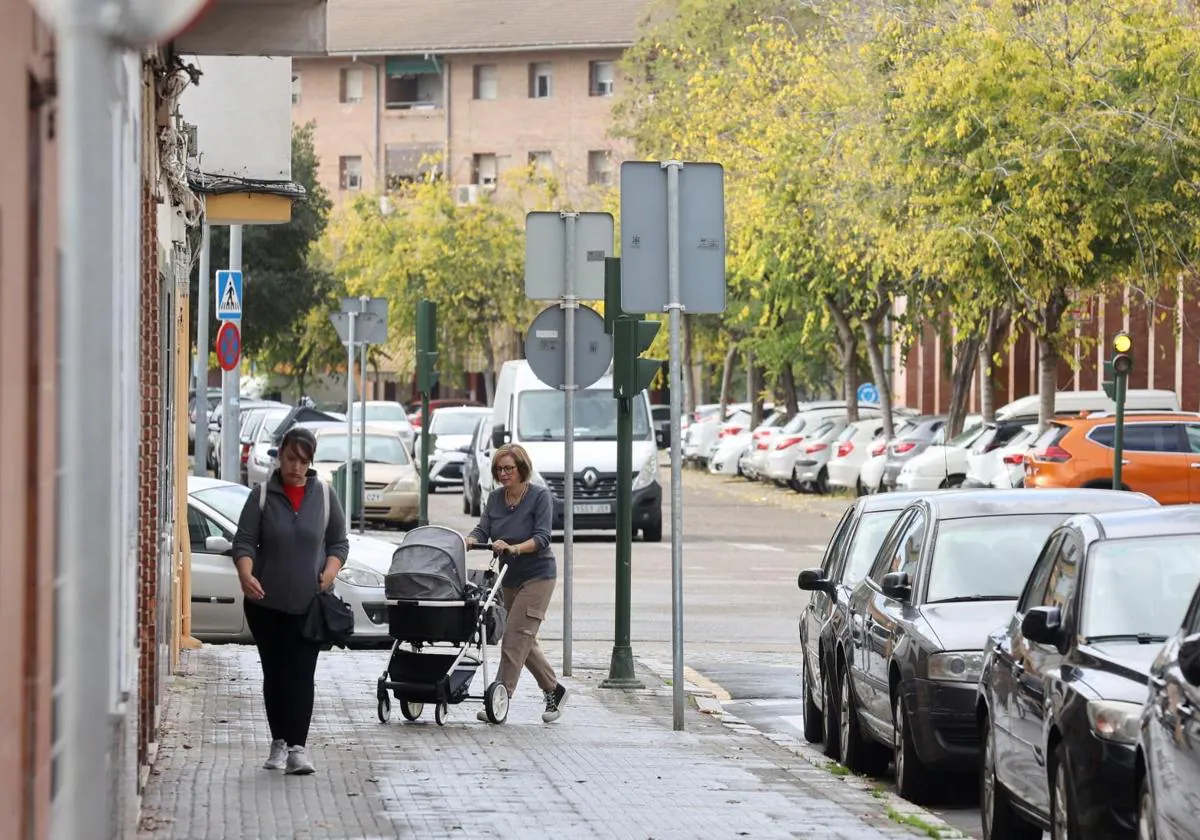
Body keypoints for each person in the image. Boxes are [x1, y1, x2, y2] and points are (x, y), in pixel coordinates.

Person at [232, 426, 349, 774]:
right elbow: (244, 542)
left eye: (303, 461)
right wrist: (245, 573)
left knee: (301, 674)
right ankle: (278, 742)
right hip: (264, 604)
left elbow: (339, 543)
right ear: (280, 455)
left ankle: (298, 747)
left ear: (311, 461)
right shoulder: (262, 495)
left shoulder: (325, 495)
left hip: (307, 605)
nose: (296, 467)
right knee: (275, 673)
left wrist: (329, 572)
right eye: (290, 458)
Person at [466, 443, 568, 723]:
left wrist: (514, 547)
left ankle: (499, 697)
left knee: (513, 637)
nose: (503, 473)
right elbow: (482, 527)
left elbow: (543, 537)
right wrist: (471, 540)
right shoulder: (496, 499)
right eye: (499, 469)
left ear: (522, 468)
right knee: (524, 638)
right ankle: (554, 690)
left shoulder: (539, 497)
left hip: (538, 575)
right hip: (508, 577)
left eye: (509, 468)